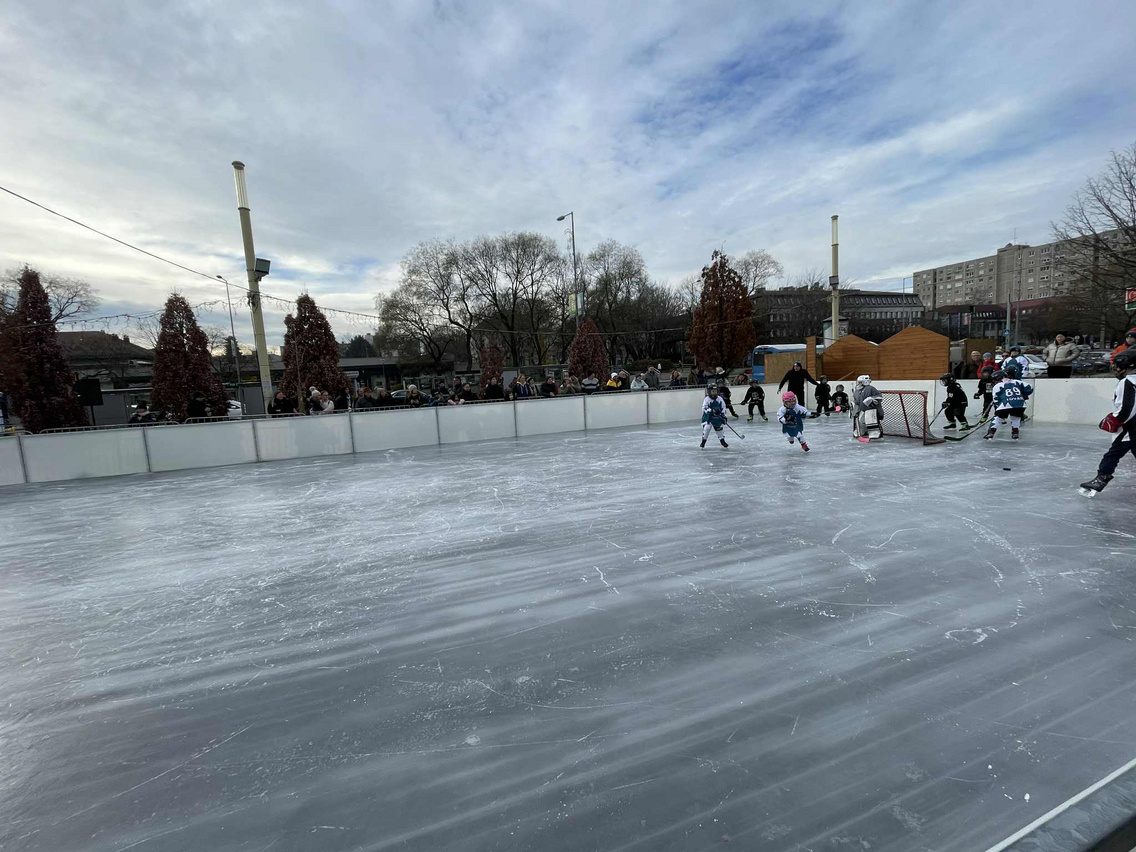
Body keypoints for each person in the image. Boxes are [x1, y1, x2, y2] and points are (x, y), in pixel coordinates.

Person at [1079, 350, 1136, 497]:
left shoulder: (1127, 382)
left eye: (1117, 366)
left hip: (1130, 428)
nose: (1115, 369)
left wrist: (1114, 420)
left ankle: (1101, 479)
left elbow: (1127, 408)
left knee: (1113, 454)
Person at [983, 363, 1032, 441]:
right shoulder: (1017, 382)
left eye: (995, 380)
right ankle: (1015, 433)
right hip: (1020, 404)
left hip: (1006, 404)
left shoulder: (998, 386)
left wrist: (998, 407)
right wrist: (1022, 395)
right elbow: (1029, 388)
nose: (994, 382)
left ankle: (991, 433)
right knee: (1016, 418)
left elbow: (996, 399)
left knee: (997, 418)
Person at [852, 375, 884, 440]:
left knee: (872, 422)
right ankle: (861, 432)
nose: (858, 383)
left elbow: (879, 397)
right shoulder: (857, 390)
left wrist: (873, 400)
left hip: (872, 410)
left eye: (860, 382)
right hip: (863, 410)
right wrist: (855, 410)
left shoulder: (870, 388)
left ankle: (875, 434)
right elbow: (857, 401)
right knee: (861, 422)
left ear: (865, 382)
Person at [700, 385, 729, 449]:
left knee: (719, 429)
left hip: (717, 417)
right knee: (707, 428)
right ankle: (703, 441)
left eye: (715, 391)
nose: (714, 393)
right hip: (709, 418)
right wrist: (711, 411)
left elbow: (723, 407)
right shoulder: (706, 399)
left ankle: (722, 441)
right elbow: (704, 408)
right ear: (709, 392)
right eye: (713, 391)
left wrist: (724, 416)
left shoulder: (719, 399)